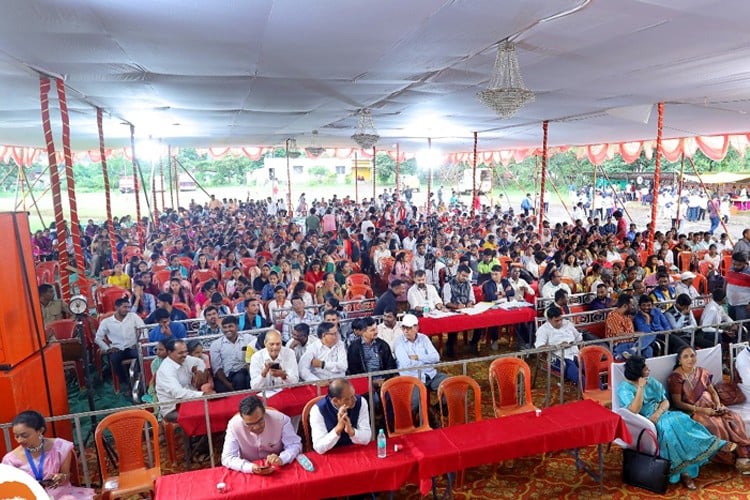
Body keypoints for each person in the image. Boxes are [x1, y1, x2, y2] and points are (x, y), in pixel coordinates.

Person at [618, 355, 734, 489]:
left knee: (682, 419)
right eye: (645, 368)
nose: (648, 370)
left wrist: (659, 412)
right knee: (668, 431)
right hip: (645, 421)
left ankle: (696, 460)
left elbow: (665, 401)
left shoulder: (651, 381)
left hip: (662, 413)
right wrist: (640, 388)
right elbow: (634, 410)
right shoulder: (625, 388)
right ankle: (687, 469)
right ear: (638, 372)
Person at [667, 346, 750, 472]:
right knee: (715, 425)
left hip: (712, 406)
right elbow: (677, 403)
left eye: (692, 355)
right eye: (686, 356)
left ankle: (743, 455)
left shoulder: (702, 372)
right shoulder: (676, 377)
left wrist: (717, 403)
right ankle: (729, 457)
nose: (690, 359)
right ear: (679, 360)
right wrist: (702, 411)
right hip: (694, 411)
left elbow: (712, 391)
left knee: (734, 418)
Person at [2, 410, 95, 499]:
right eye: (16, 436)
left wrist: (61, 477)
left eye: (25, 436)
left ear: (40, 430)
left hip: (60, 495)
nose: (20, 440)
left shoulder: (60, 447)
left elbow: (66, 476)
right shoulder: (10, 460)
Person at [221, 395, 301, 474]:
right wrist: (249, 467)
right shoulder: (234, 426)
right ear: (242, 419)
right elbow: (227, 457)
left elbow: (294, 445)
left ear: (264, 413)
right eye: (250, 424)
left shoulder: (281, 420)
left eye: (260, 421)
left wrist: (282, 458)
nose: (256, 427)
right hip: (249, 469)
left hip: (278, 468)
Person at [393, 314, 448, 405]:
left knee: (450, 387)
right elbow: (406, 364)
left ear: (416, 327)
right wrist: (428, 361)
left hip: (430, 374)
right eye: (403, 328)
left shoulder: (424, 338)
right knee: (414, 402)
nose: (406, 331)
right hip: (412, 378)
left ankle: (437, 411)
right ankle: (417, 418)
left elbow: (436, 357)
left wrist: (418, 357)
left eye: (409, 328)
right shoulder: (399, 342)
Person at [155, 338, 213, 421]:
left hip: (192, 401)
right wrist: (202, 395)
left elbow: (199, 362)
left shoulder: (185, 359)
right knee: (204, 414)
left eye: (185, 351)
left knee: (215, 408)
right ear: (169, 353)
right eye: (180, 353)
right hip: (173, 408)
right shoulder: (166, 369)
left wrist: (200, 372)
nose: (185, 355)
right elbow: (178, 393)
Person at [94, 297, 145, 391]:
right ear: (116, 307)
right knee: (114, 359)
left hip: (132, 346)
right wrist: (108, 348)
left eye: (128, 307)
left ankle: (139, 381)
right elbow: (98, 338)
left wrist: (140, 341)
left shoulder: (133, 316)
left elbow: (143, 329)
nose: (127, 309)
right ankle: (126, 383)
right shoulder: (107, 322)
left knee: (140, 356)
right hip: (118, 348)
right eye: (124, 307)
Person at [309, 378, 371, 454]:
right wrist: (338, 429)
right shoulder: (318, 410)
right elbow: (319, 447)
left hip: (356, 450)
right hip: (331, 454)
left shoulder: (361, 402)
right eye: (349, 398)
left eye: (354, 395)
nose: (354, 399)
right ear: (335, 401)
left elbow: (367, 437)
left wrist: (351, 431)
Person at [534, 305, 582, 383]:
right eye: (556, 321)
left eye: (561, 319)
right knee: (577, 374)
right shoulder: (543, 330)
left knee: (590, 370)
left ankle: (602, 391)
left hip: (575, 354)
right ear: (549, 320)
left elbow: (579, 338)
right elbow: (539, 347)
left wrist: (573, 342)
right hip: (559, 357)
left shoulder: (567, 323)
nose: (560, 322)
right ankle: (590, 393)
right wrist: (558, 346)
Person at [210, 316, 257, 393]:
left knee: (247, 378)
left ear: (237, 326)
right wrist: (228, 385)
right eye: (224, 327)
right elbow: (217, 369)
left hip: (247, 372)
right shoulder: (216, 345)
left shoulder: (248, 338)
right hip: (228, 377)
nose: (228, 330)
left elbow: (260, 346)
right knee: (239, 378)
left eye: (230, 326)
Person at [442, 264, 476, 357]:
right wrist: (457, 306)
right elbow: (446, 302)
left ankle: (474, 343)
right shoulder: (448, 285)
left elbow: (472, 298)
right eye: (463, 275)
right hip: (454, 311)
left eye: (466, 276)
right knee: (454, 323)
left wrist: (470, 302)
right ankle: (450, 347)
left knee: (480, 321)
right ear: (457, 273)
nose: (465, 278)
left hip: (467, 310)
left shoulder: (468, 284)